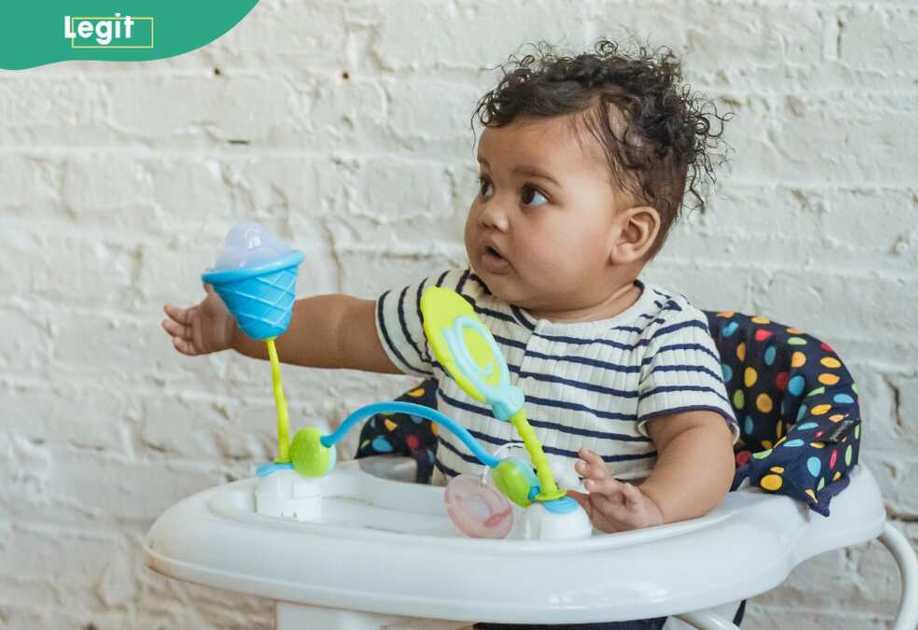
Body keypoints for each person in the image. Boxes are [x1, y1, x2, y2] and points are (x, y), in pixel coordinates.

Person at [162, 39, 736, 630]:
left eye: (531, 194)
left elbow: (702, 440)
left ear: (629, 235)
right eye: (487, 184)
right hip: (458, 573)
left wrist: (654, 509)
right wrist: (240, 328)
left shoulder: (661, 334)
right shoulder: (457, 306)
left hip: (594, 589)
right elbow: (343, 329)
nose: (491, 212)